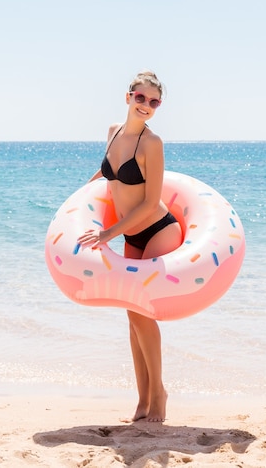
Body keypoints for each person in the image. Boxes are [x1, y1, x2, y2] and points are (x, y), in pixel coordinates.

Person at [77, 70, 182, 422]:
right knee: (131, 317)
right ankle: (142, 401)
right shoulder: (113, 132)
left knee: (142, 312)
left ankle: (159, 394)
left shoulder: (152, 144)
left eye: (154, 102)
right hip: (130, 233)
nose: (147, 106)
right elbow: (105, 176)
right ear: (128, 98)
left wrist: (107, 236)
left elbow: (151, 203)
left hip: (157, 230)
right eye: (141, 98)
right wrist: (75, 202)